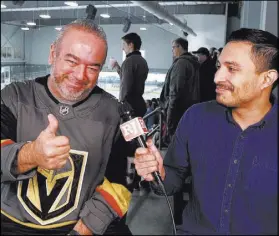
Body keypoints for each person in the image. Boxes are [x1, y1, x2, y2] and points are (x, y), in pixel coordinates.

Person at [134, 28, 278, 235]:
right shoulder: (196, 117)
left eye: (232, 69)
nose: (217, 77)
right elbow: (173, 179)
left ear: (267, 79)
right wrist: (160, 172)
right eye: (219, 66)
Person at [1, 19, 132, 235]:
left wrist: (84, 229)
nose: (80, 76)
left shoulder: (116, 114)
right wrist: (30, 155)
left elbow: (122, 182)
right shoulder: (13, 97)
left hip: (80, 225)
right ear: (53, 54)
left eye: (92, 67)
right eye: (72, 61)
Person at [159, 37, 200, 144]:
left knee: (176, 142)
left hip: (178, 110)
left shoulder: (181, 64)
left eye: (173, 47)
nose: (172, 50)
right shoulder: (193, 63)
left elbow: (175, 91)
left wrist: (170, 114)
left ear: (180, 47)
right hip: (189, 108)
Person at [111, 33, 149, 117]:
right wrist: (118, 67)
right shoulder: (142, 61)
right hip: (139, 104)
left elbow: (126, 86)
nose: (122, 48)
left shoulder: (128, 61)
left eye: (124, 44)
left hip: (129, 108)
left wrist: (121, 106)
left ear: (131, 45)